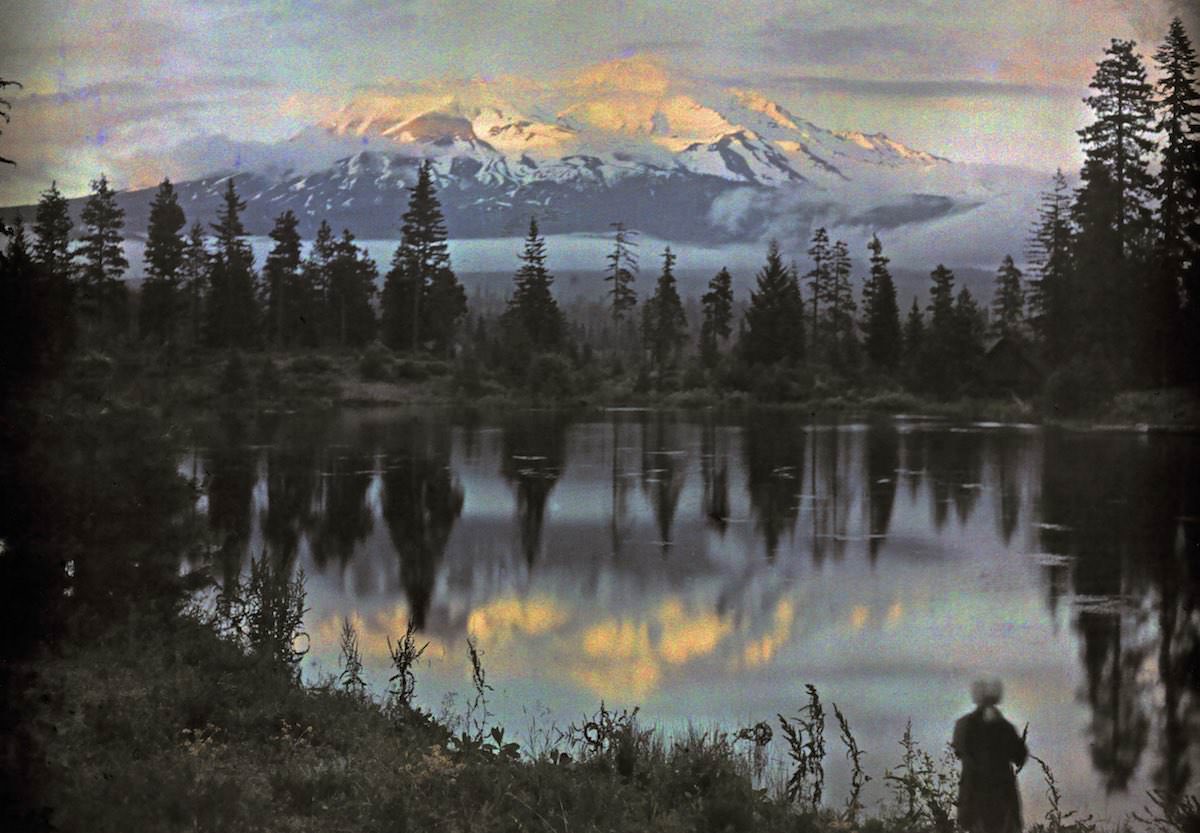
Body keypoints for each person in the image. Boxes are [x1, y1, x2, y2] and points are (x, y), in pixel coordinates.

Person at [952, 676, 1028, 833]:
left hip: (973, 795)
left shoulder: (963, 724)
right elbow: (1019, 756)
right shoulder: (1005, 727)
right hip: (1002, 797)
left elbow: (959, 751)